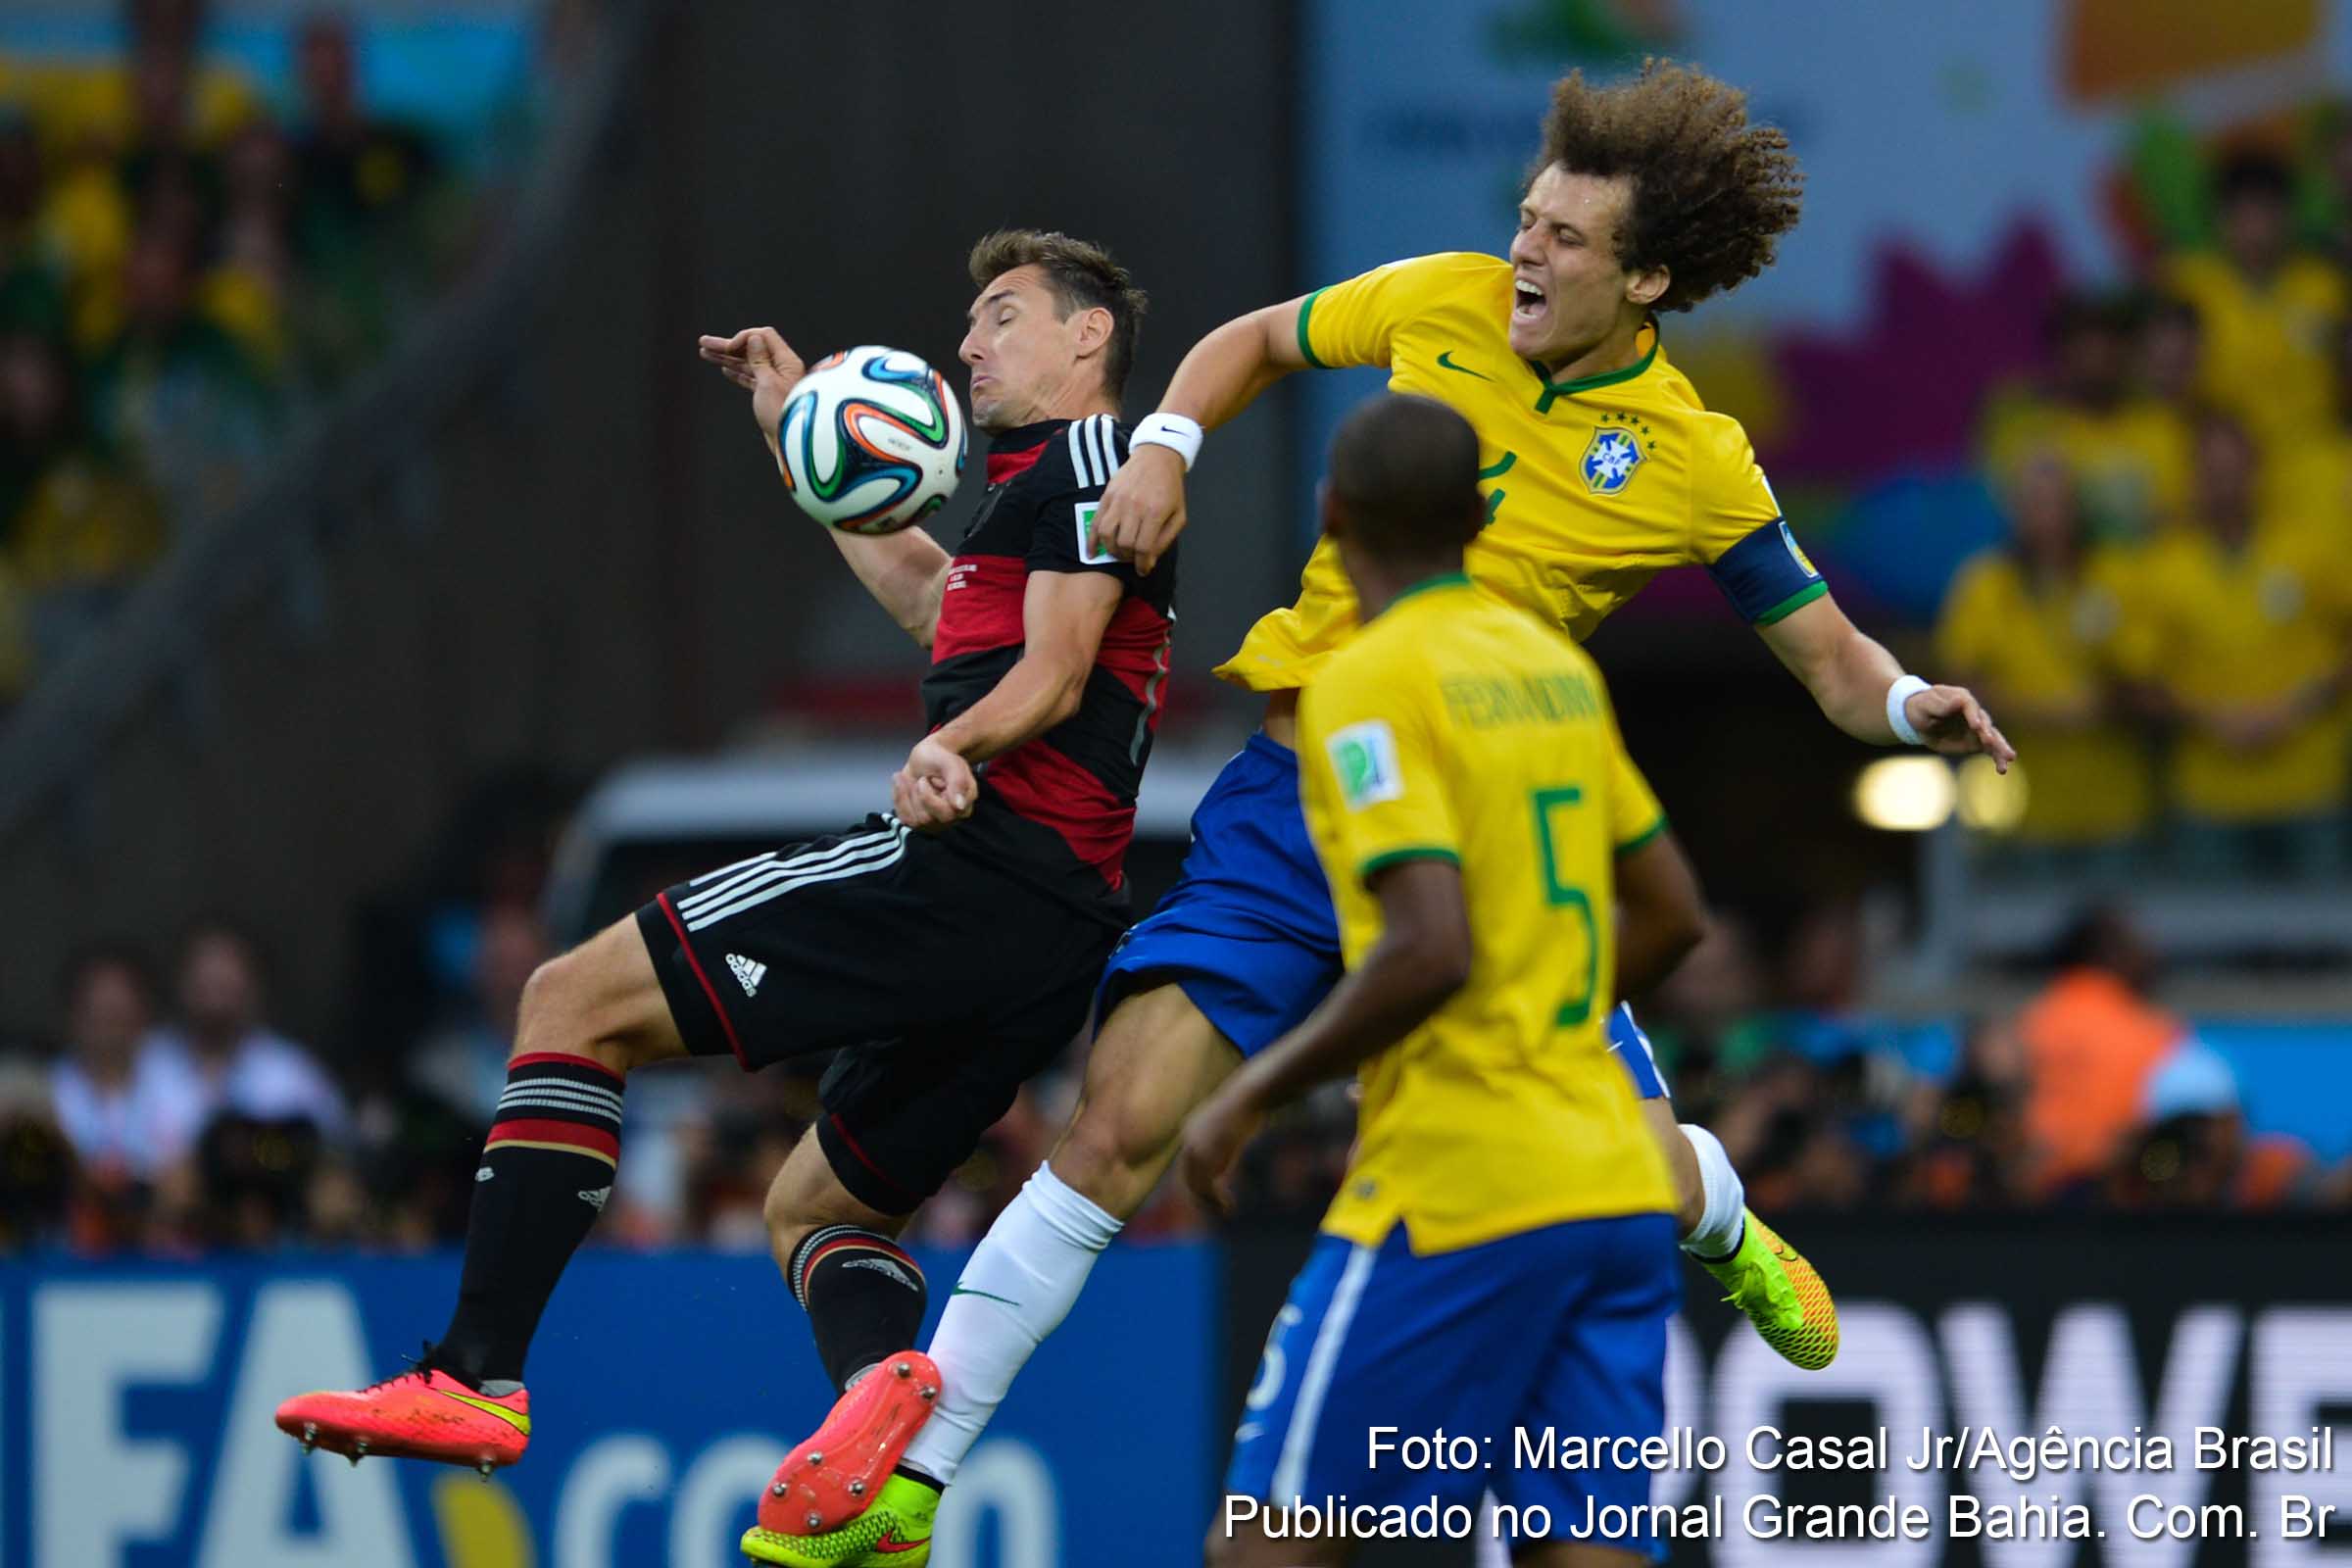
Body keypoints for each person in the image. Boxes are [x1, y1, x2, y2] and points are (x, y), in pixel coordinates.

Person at [790, 62, 2012, 1554]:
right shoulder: (1439, 298)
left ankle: (1714, 1201)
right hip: (1302, 791)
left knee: (1593, 1163)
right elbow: (1249, 342)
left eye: (1568, 240)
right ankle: (910, 1482)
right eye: (1528, 219)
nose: (1528, 254)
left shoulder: (1696, 457)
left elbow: (1825, 656)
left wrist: (1907, 707)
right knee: (1120, 1120)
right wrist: (1167, 446)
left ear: (1649, 277)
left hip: (1491, 822)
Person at [274, 230, 1173, 1544]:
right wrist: (794, 428)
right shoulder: (1034, 490)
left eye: (1000, 316)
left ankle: (472, 1376)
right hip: (1043, 931)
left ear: (1087, 338)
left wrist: (949, 745)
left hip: (977, 872)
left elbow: (1061, 664)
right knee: (819, 1206)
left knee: (571, 996)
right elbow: (938, 606)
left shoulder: (1100, 458)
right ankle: (881, 1438)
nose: (969, 343)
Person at [1181, 393, 1698, 1566]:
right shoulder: (1555, 669)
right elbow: (1675, 914)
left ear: (1331, 513)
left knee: (1266, 1544)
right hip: (1612, 1183)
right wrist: (1548, 1008)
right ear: (1478, 515)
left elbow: (1427, 945)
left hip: (1461, 1183)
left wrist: (1249, 1089)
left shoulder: (1365, 681)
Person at [1935, 453, 2153, 875]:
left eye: (2056, 503)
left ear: (2077, 510)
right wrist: (2055, 712)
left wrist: (2109, 699)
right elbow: (1959, 689)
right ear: (2014, 510)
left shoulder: (2117, 578)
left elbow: (2143, 685)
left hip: (2114, 805)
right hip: (2016, 808)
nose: (2046, 518)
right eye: (2034, 504)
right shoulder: (1984, 584)